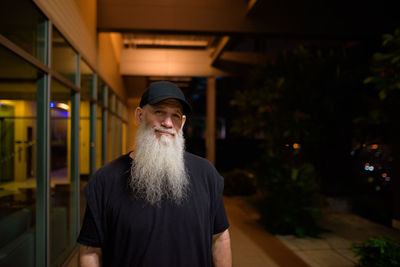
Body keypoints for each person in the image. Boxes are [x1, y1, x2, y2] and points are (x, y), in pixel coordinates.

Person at [77, 81, 232, 267]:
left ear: (182, 123)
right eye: (159, 112)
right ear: (140, 115)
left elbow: (220, 239)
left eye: (175, 115)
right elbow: (91, 251)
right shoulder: (105, 180)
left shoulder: (206, 174)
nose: (167, 123)